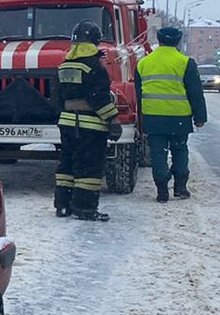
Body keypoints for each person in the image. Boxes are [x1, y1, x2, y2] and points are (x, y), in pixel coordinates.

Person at [54, 19, 121, 222]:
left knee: (66, 164)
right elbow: (98, 98)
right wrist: (113, 119)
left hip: (66, 123)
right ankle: (85, 208)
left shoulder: (64, 65)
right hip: (90, 126)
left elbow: (57, 98)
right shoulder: (95, 66)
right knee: (89, 168)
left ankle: (63, 205)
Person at [134, 25, 208, 202]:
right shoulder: (185, 62)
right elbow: (195, 93)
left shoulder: (144, 63)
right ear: (178, 41)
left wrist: (141, 118)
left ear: (159, 40)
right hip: (179, 118)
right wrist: (200, 118)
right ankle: (180, 188)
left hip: (153, 118)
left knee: (158, 153)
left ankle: (162, 191)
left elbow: (138, 94)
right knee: (180, 150)